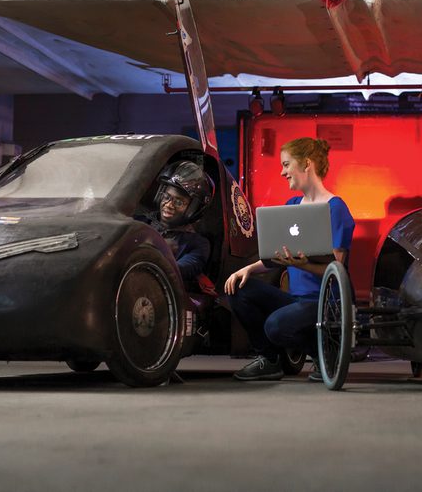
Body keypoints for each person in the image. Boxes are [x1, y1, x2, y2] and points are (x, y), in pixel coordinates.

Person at [224, 137, 355, 381]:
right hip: (296, 299)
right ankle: (270, 360)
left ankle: (323, 353)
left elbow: (336, 267)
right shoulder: (292, 205)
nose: (283, 172)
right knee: (239, 289)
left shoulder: (335, 208)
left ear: (306, 164)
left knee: (275, 326)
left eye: (286, 165)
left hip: (324, 303)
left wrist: (301, 264)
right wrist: (248, 269)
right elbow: (277, 254)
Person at [140, 160, 215, 294]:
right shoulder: (139, 223)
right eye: (167, 197)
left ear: (193, 210)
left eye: (178, 202)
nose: (168, 205)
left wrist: (160, 252)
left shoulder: (198, 244)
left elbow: (178, 271)